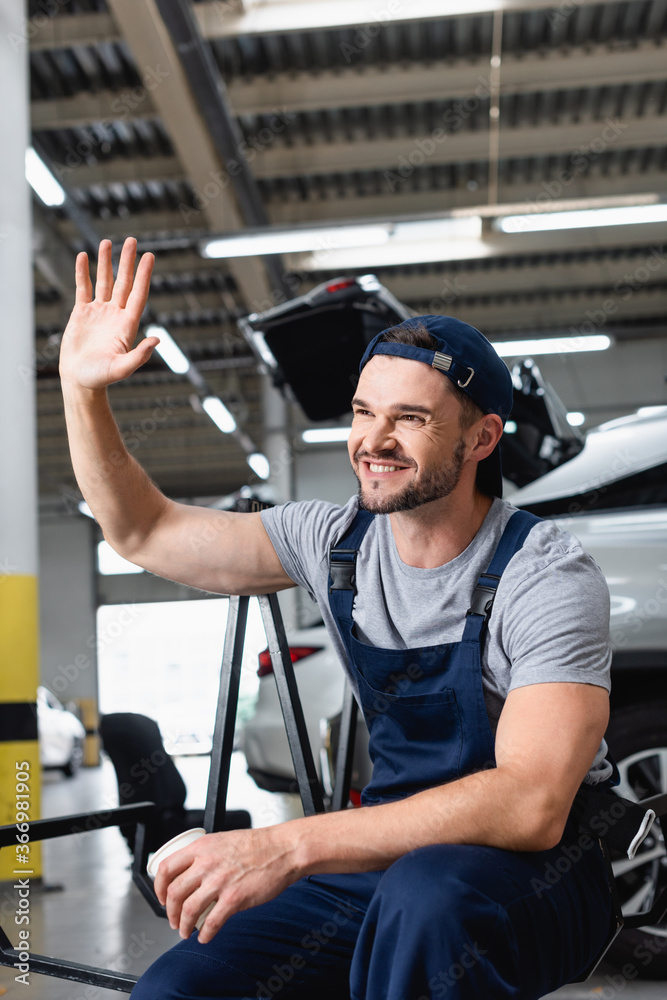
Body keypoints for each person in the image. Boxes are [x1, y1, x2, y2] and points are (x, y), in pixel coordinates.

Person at [60, 237, 615, 1000]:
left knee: (427, 906)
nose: (373, 442)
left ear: (481, 438)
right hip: (384, 861)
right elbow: (142, 532)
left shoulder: (541, 571)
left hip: (533, 879)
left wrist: (285, 846)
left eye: (410, 418)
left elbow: (530, 804)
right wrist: (81, 391)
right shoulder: (330, 541)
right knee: (178, 990)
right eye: (363, 412)